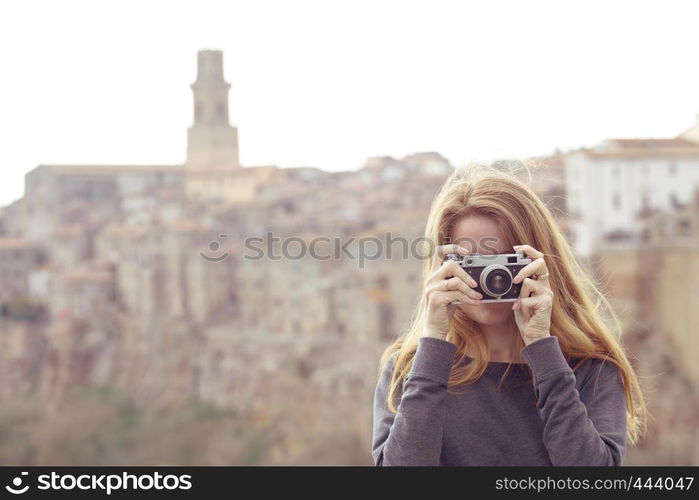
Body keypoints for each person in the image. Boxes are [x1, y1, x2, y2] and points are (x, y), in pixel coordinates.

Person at [371, 164, 648, 466]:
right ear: (442, 267)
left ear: (540, 264)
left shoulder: (591, 371)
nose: (492, 278)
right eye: (470, 263)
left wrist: (543, 351)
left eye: (504, 262)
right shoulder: (413, 370)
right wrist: (433, 341)